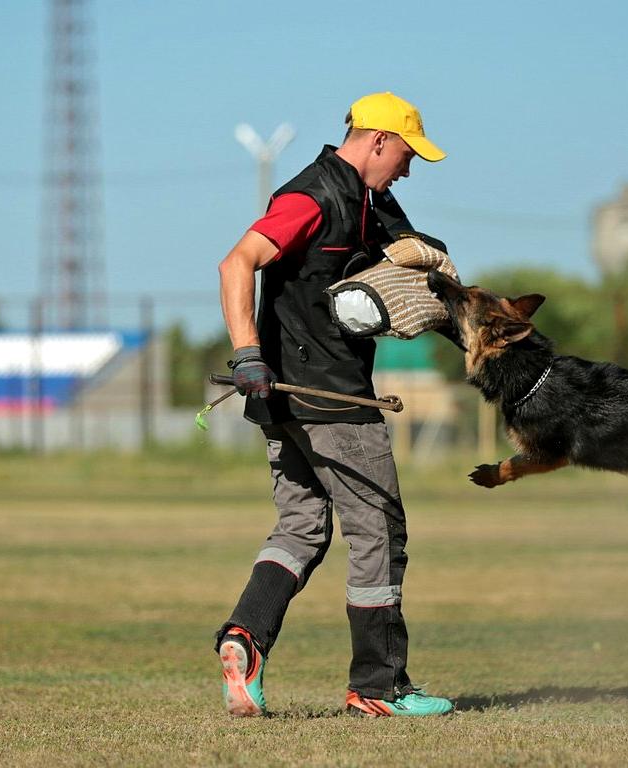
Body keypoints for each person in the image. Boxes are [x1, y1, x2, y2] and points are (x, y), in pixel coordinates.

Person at [214, 92, 454, 718]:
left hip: (286, 402)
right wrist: (246, 354)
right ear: (377, 140)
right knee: (379, 532)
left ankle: (245, 638)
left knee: (300, 528)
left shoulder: (368, 196)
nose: (409, 169)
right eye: (406, 155)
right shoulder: (313, 195)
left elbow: (412, 250)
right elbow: (237, 263)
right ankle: (377, 687)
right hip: (329, 398)